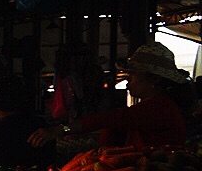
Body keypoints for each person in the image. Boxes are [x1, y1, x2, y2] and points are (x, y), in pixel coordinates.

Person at [31, 42, 191, 151]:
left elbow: (111, 118)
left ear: (155, 79)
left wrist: (61, 129)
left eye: (133, 75)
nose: (128, 81)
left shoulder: (159, 108)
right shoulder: (157, 105)